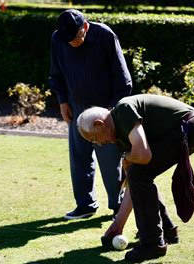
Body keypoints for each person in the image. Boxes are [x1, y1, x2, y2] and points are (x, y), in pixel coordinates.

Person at [77, 94, 194, 262]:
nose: (100, 144)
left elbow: (143, 155)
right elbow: (132, 184)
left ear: (99, 124)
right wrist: (119, 224)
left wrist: (127, 156)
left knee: (140, 174)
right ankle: (167, 231)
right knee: (139, 176)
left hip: (192, 126)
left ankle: (153, 243)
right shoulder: (119, 136)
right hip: (186, 128)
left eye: (95, 139)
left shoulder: (123, 110)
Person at [49, 9, 133, 220]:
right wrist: (62, 101)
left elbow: (124, 81)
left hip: (106, 113)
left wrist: (111, 113)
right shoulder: (58, 38)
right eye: (67, 39)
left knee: (110, 160)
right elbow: (56, 73)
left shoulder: (105, 35)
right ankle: (85, 205)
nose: (71, 43)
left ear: (85, 27)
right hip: (76, 107)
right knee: (79, 158)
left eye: (75, 38)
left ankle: (118, 206)